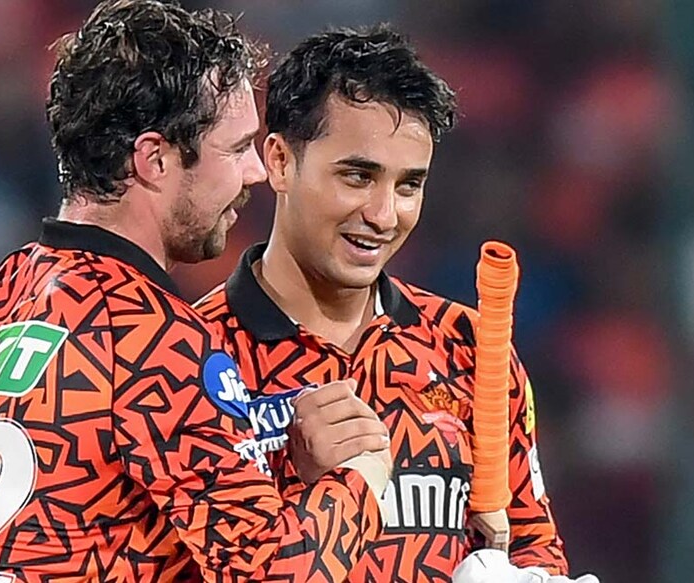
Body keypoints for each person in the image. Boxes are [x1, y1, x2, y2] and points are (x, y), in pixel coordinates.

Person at [0, 2, 393, 581]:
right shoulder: (151, 339)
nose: (257, 171)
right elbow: (270, 569)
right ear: (154, 159)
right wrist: (359, 480)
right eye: (235, 149)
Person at [194, 25, 596, 582]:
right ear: (281, 161)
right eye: (358, 176)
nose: (384, 215)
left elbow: (533, 546)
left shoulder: (470, 349)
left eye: (409, 185)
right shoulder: (194, 357)